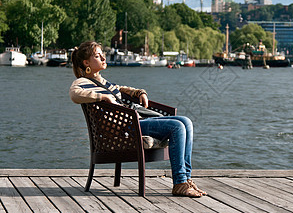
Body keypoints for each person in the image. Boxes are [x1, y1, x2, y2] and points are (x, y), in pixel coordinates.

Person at [69, 41, 206, 198]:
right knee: (177, 127)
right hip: (125, 129)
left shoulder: (103, 81)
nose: (103, 57)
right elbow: (74, 94)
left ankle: (186, 179)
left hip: (134, 123)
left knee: (186, 122)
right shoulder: (82, 82)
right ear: (86, 62)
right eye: (97, 55)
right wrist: (102, 97)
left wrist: (139, 92)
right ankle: (180, 183)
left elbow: (121, 89)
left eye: (102, 54)